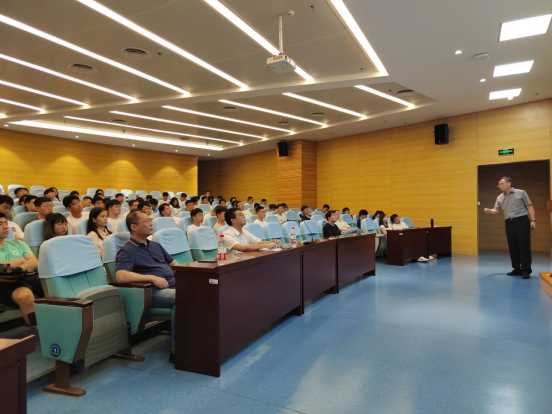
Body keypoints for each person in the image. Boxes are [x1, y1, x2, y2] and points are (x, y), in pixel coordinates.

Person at [116, 210, 178, 362]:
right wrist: (151, 278)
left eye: (150, 220)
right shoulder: (127, 250)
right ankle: (178, 350)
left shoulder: (156, 245)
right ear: (134, 227)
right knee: (183, 297)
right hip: (153, 292)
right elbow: (121, 276)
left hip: (173, 285)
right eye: (146, 221)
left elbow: (174, 265)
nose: (151, 223)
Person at [484, 176, 535, 279]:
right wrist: (489, 211)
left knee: (524, 246)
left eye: (501, 184)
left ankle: (526, 270)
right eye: (499, 185)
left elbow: (529, 206)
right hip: (509, 223)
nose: (500, 186)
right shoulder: (500, 197)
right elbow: (496, 209)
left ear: (509, 183)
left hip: (521, 221)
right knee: (513, 246)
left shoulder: (521, 193)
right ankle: (517, 268)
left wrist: (533, 220)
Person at [0, 212, 41, 327]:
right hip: (7, 283)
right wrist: (20, 260)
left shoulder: (18, 243)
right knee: (25, 296)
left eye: (6, 223)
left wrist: (15, 268)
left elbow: (34, 262)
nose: (5, 227)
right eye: (0, 224)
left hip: (29, 276)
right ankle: (40, 329)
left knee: (52, 285)